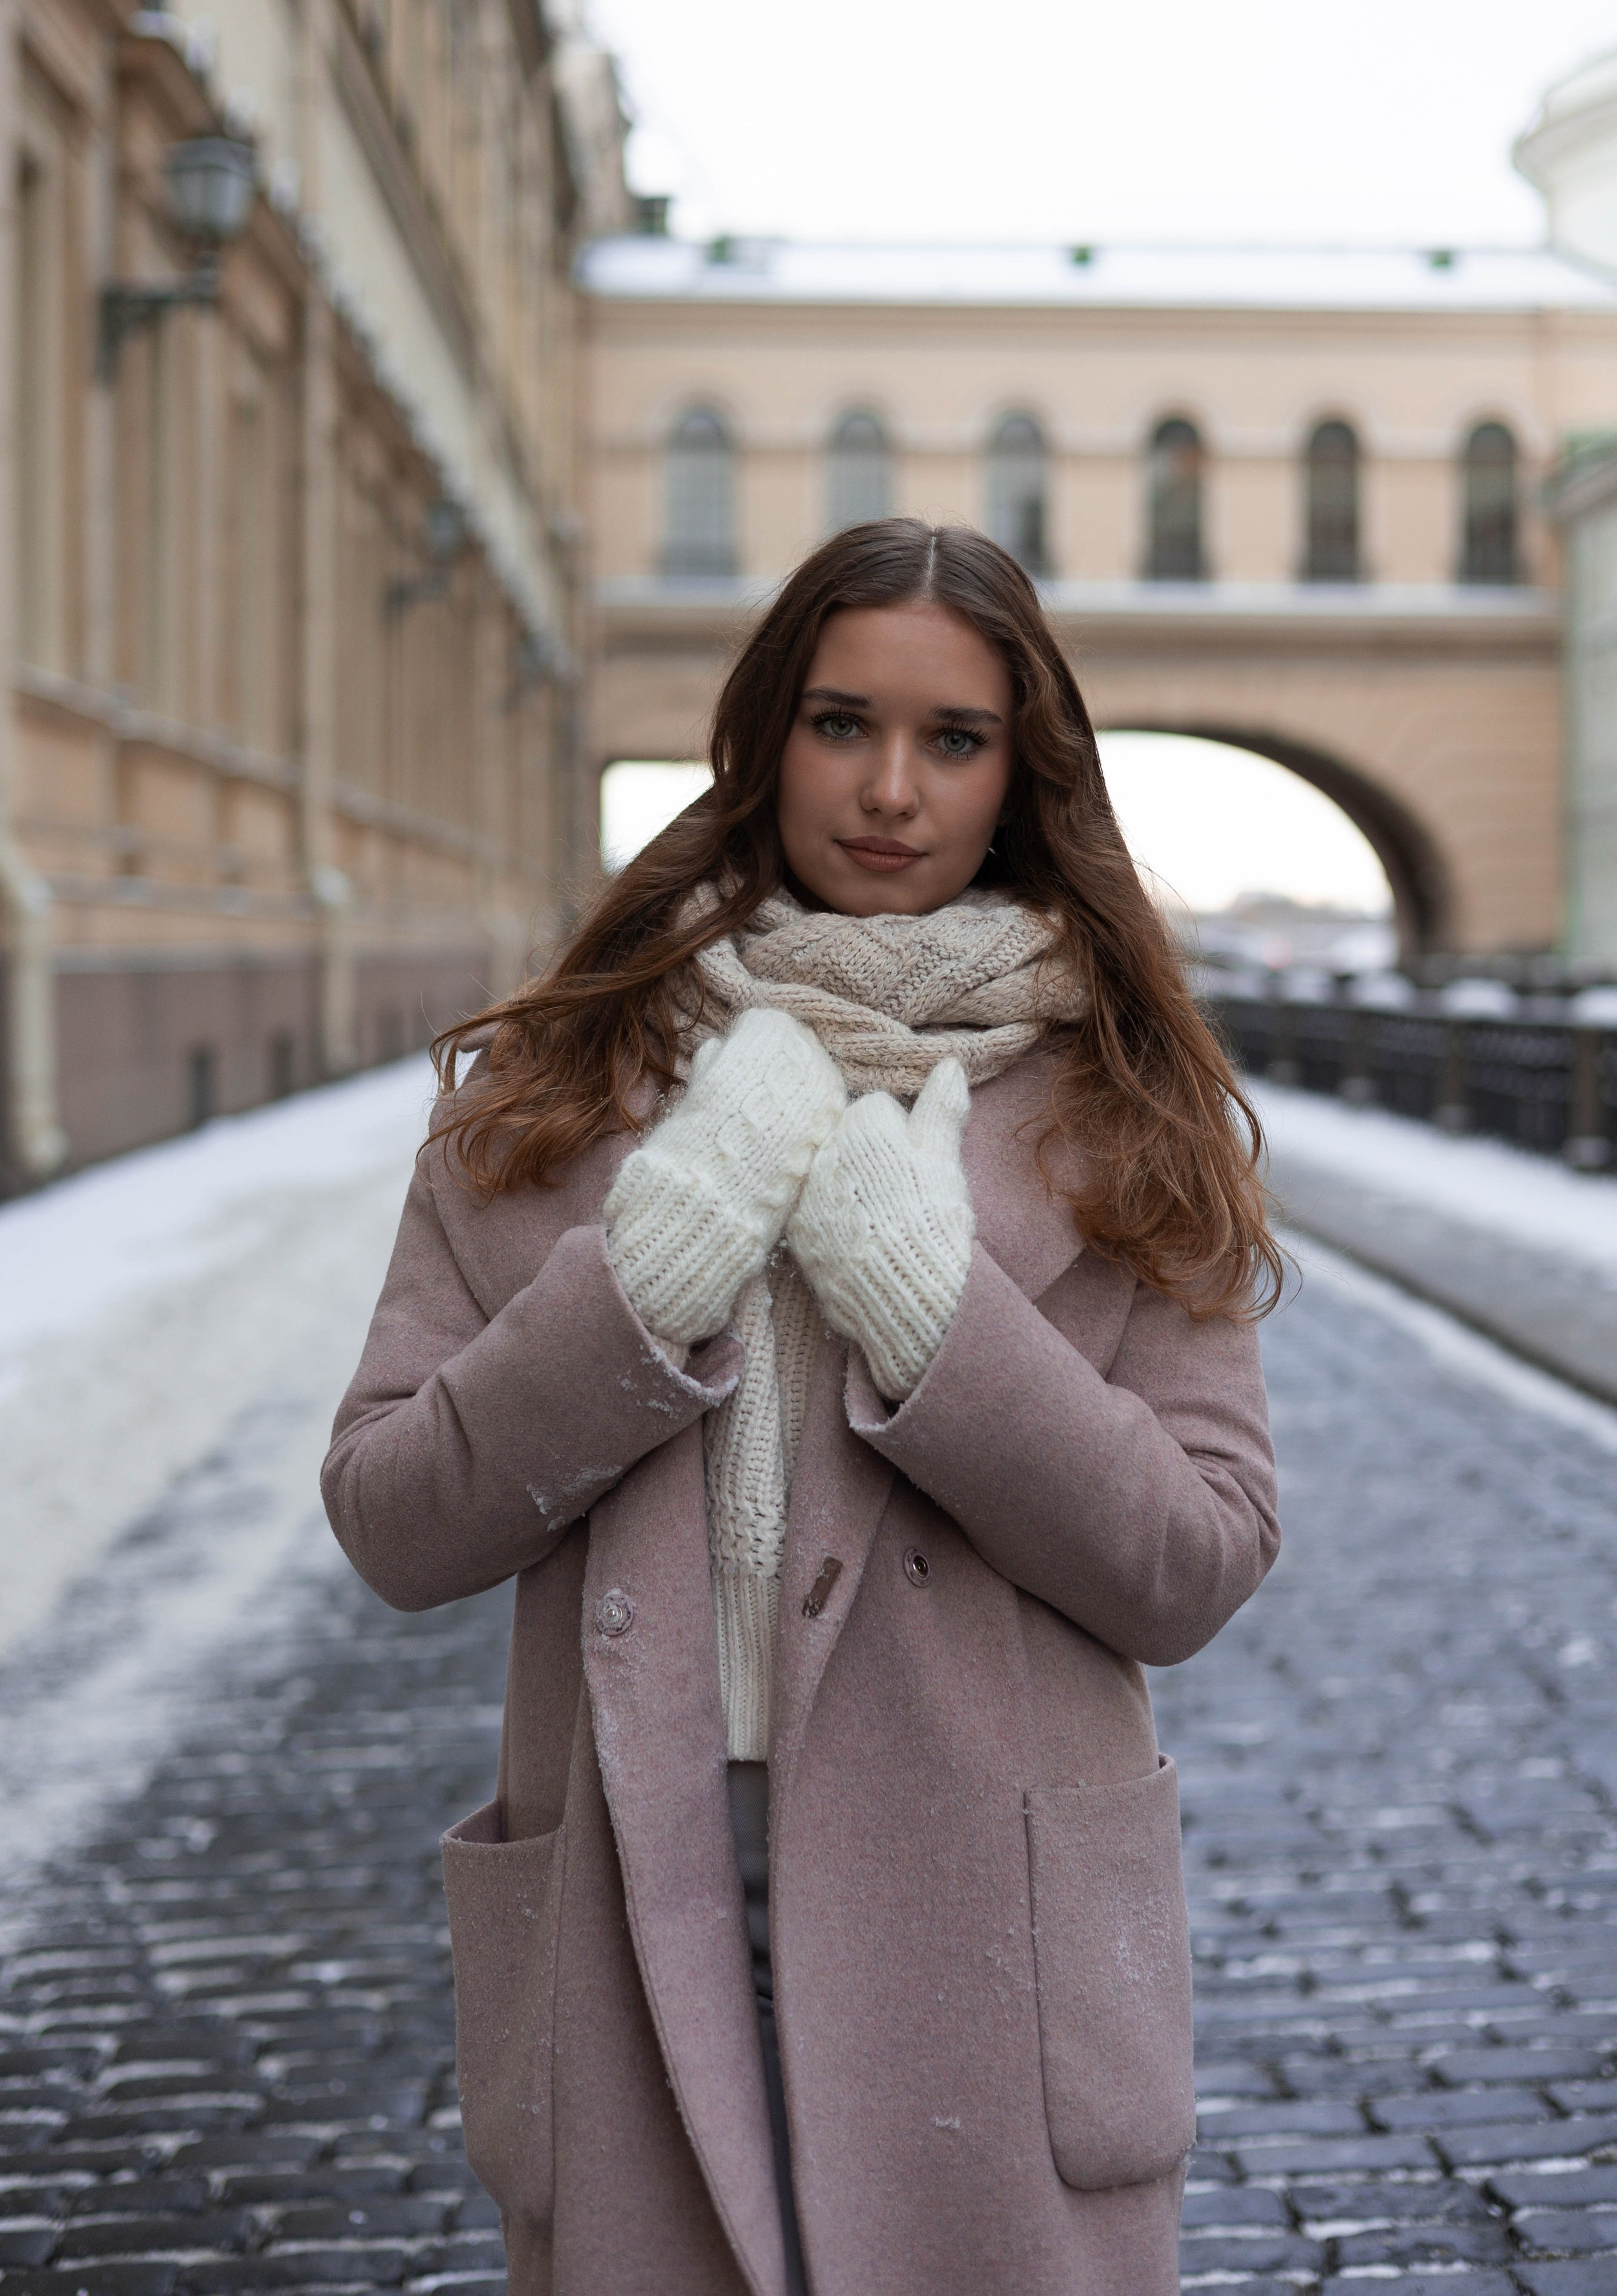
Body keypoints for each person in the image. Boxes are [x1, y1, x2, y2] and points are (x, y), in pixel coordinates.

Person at [322, 518, 1281, 2296]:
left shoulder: (1129, 1107)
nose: (892, 790)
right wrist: (656, 1267)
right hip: (631, 1888)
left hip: (989, 1932)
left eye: (954, 739)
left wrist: (934, 1312)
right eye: (843, 723)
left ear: (1024, 773)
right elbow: (394, 1519)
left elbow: (1195, 1563)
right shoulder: (554, 1084)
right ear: (764, 735)